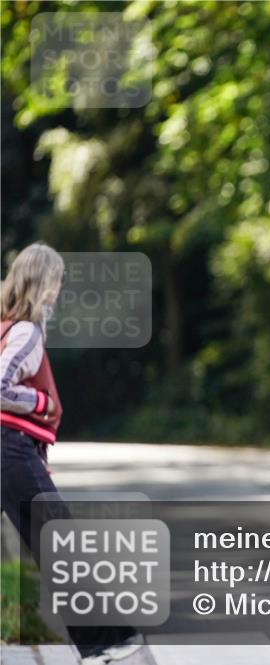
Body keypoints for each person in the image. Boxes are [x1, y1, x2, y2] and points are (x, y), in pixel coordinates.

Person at [1, 243, 142, 665]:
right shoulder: (25, 331)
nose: (58, 291)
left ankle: (103, 638)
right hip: (9, 449)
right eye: (57, 281)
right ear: (42, 282)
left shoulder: (5, 326)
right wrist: (41, 405)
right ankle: (103, 642)